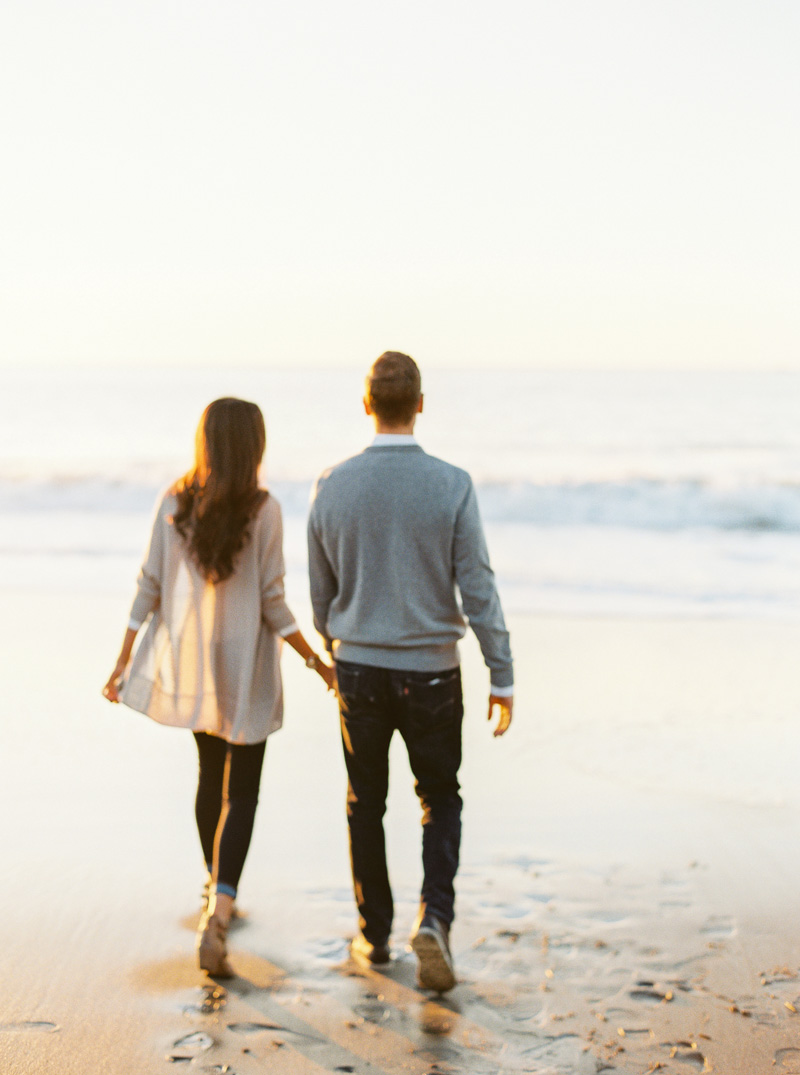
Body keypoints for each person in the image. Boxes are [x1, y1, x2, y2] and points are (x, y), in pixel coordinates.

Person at [102, 397, 334, 978]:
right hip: (246, 664)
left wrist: (123, 659)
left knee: (210, 776)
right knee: (243, 789)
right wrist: (317, 662)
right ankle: (223, 904)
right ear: (253, 445)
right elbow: (274, 603)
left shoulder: (174, 503)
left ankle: (214, 890)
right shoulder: (265, 510)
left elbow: (148, 586)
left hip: (195, 663)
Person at [307, 352, 513, 993]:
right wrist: (501, 673)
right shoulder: (451, 484)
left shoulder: (332, 484)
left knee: (365, 802)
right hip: (430, 673)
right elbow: (477, 587)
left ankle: (373, 935)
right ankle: (435, 922)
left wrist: (337, 641)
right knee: (439, 798)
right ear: (420, 404)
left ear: (366, 404)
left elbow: (321, 592)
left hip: (360, 668)